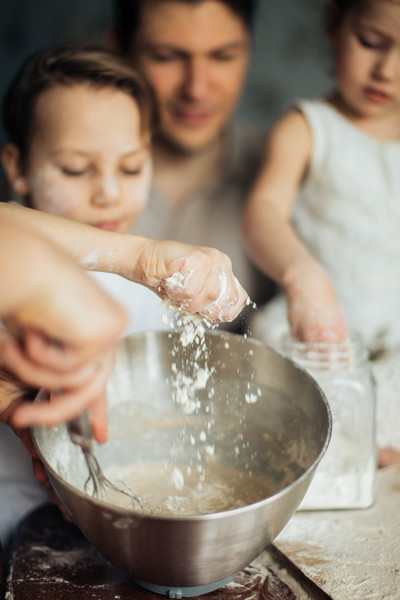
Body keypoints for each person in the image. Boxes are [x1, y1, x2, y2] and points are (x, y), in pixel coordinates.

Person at [241, 0, 400, 463]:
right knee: (286, 386)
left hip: (394, 337)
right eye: (371, 42)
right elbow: (262, 211)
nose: (386, 69)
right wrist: (302, 274)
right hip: (318, 330)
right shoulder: (306, 128)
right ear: (335, 25)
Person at [109, 0, 275, 329]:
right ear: (119, 49)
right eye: (166, 57)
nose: (196, 89)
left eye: (223, 56)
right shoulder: (54, 172)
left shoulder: (283, 176)